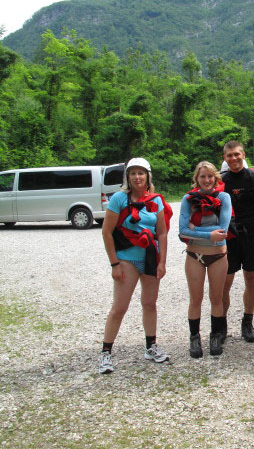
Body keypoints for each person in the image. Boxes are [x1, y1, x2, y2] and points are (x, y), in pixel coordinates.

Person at [99, 157, 170, 374]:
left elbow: (162, 232)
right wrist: (114, 264)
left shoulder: (156, 200)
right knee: (119, 307)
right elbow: (107, 231)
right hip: (127, 259)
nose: (137, 177)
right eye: (133, 173)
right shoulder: (120, 199)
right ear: (128, 178)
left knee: (150, 303)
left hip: (150, 257)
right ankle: (106, 352)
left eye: (141, 173)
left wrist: (163, 262)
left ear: (148, 177)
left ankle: (151, 346)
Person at [179, 161, 232, 357]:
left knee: (216, 299)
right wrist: (209, 235)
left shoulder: (224, 197)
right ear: (197, 179)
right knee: (195, 299)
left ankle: (215, 336)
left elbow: (224, 230)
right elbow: (182, 231)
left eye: (210, 176)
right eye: (203, 176)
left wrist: (196, 231)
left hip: (218, 256)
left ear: (216, 178)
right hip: (195, 255)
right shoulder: (188, 199)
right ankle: (194, 338)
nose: (207, 180)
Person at [220, 141, 254, 343]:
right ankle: (220, 324)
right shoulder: (220, 180)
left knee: (251, 279)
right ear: (224, 158)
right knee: (225, 282)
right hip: (228, 237)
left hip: (252, 234)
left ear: (244, 155)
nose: (234, 158)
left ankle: (247, 322)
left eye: (237, 154)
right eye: (229, 155)